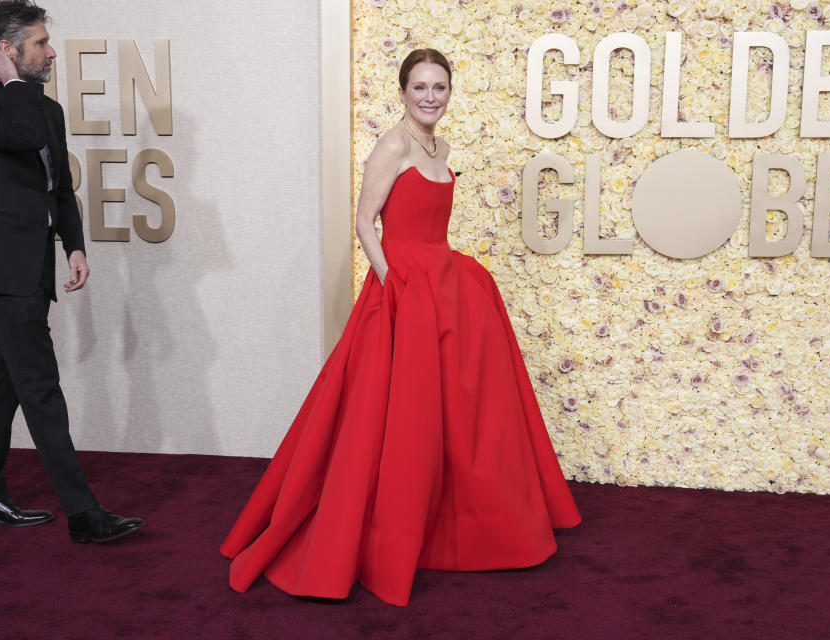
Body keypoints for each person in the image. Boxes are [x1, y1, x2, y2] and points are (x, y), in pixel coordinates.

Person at [221, 49, 581, 606]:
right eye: (420, 88)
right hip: (406, 290)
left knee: (457, 413)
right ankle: (379, 536)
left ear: (449, 91)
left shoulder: (442, 146)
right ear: (403, 91)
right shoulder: (392, 145)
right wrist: (393, 283)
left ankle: (463, 526)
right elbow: (366, 222)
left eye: (439, 87)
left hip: (447, 286)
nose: (430, 97)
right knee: (393, 417)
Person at [0, 0, 143, 543]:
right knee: (41, 386)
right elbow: (17, 137)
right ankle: (84, 514)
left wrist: (74, 246)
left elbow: (59, 186)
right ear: (7, 51)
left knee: (1, 382)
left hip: (32, 264)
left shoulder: (47, 109)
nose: (51, 51)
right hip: (0, 267)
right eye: (39, 43)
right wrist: (12, 85)